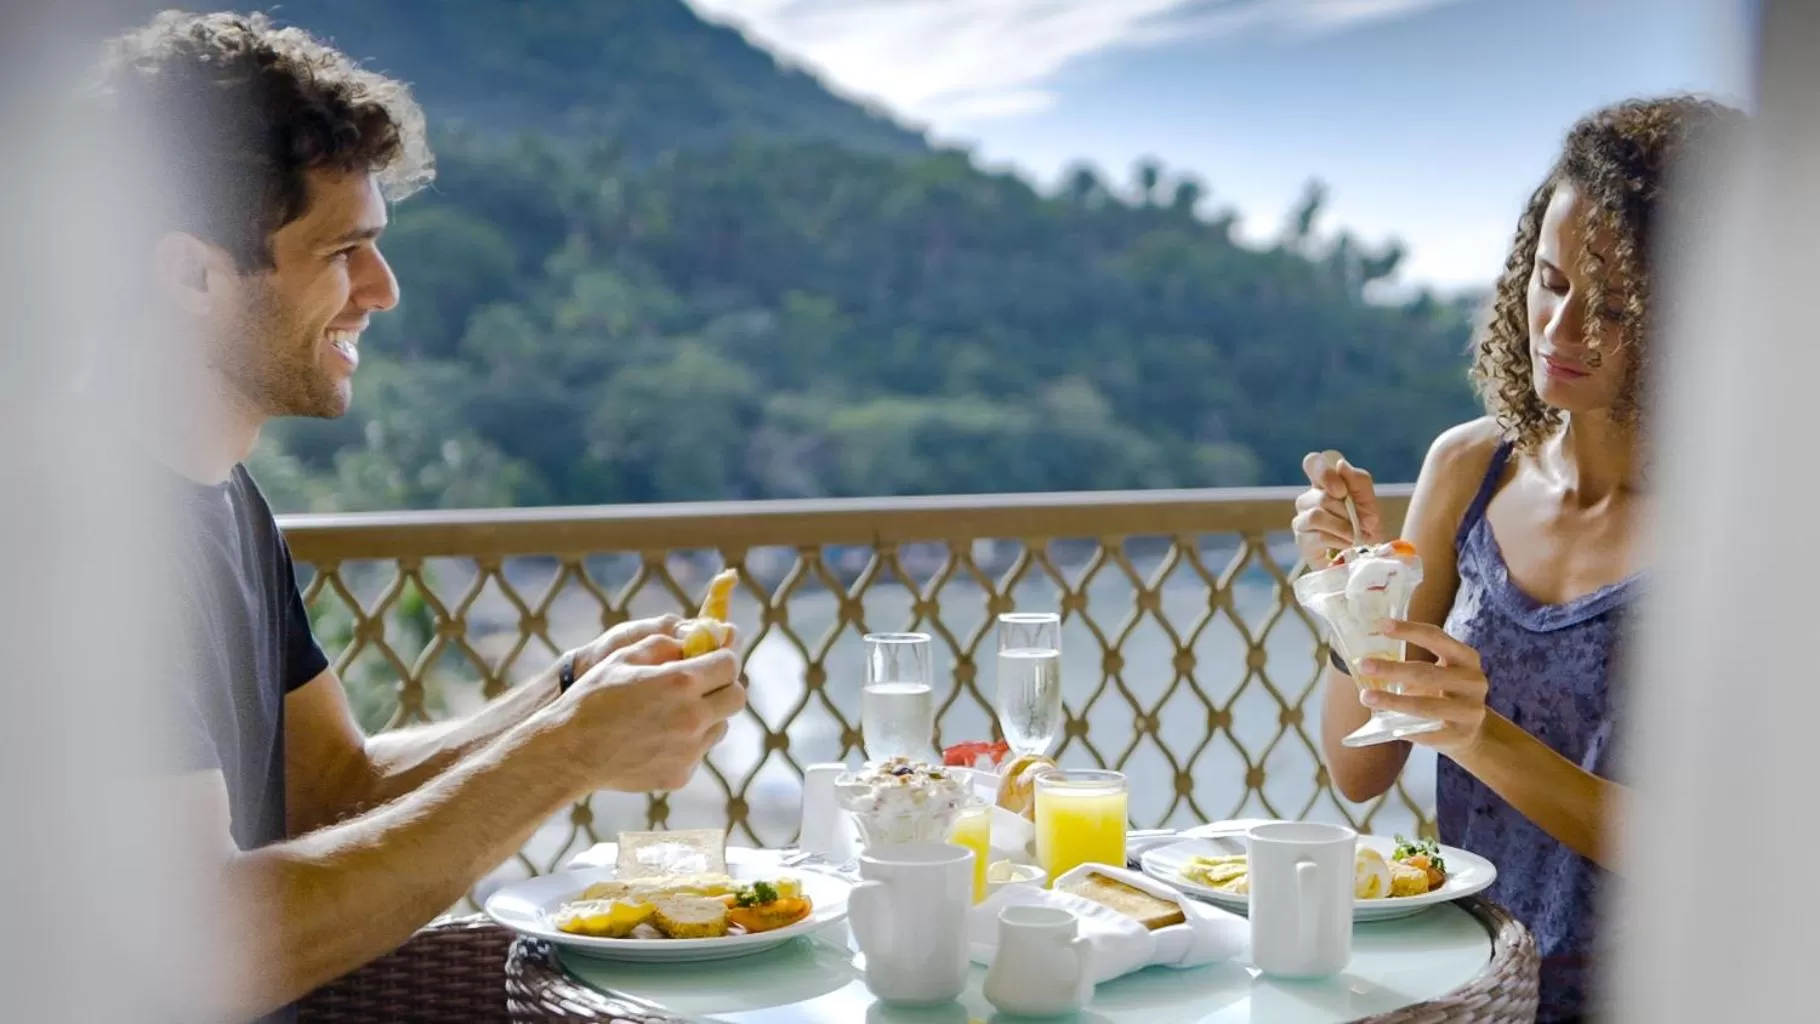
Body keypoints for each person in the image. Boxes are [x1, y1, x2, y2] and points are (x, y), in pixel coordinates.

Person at [82, 12, 747, 1023]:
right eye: (344, 249)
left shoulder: (219, 495)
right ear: (189, 273)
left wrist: (569, 692)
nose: (383, 291)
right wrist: (566, 751)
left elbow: (331, 790)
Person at [1291, 95, 1743, 1021]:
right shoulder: (1471, 465)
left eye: (1616, 306)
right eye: (1549, 278)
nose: (1561, 328)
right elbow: (1358, 771)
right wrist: (1355, 601)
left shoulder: (1750, 522)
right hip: (1480, 989)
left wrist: (1477, 734)